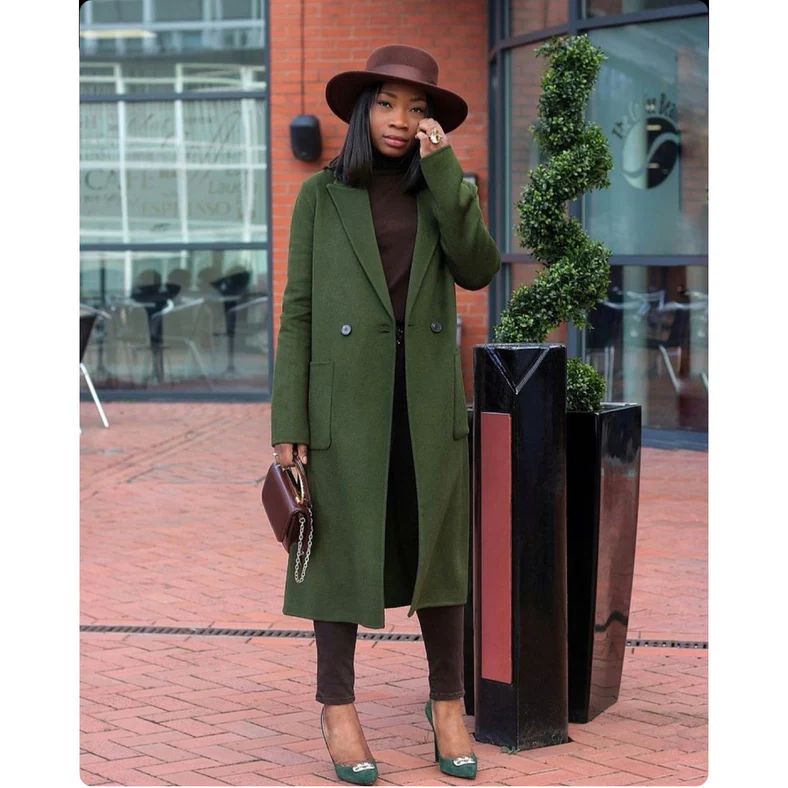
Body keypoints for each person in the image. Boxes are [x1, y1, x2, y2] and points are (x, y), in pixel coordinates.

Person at [270, 45, 500, 785]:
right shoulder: (321, 196)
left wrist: (446, 173)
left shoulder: (442, 186)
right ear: (364, 111)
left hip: (427, 401)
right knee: (337, 555)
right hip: (347, 405)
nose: (403, 119)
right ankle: (337, 708)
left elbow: (479, 268)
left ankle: (448, 705)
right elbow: (299, 312)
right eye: (389, 104)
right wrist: (289, 419)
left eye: (418, 107)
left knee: (441, 556)